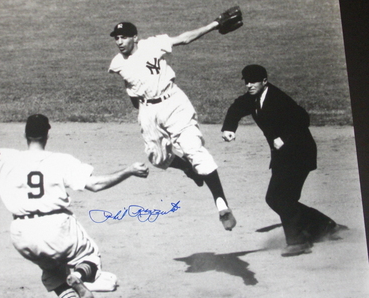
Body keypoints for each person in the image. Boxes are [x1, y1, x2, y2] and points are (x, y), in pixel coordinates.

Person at [0, 96, 149, 298]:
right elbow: (95, 185)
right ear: (47, 135)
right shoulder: (61, 160)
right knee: (89, 256)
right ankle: (79, 276)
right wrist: (128, 171)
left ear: (25, 134)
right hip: (58, 230)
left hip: (22, 235)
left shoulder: (6, 158)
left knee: (51, 274)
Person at [108, 20, 237, 231]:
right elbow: (129, 85)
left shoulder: (153, 44)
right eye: (116, 38)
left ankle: (222, 204)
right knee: (156, 158)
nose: (119, 42)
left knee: (193, 149)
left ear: (135, 37)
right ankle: (188, 168)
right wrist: (142, 112)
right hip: (148, 111)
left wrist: (215, 24)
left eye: (123, 37)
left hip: (173, 103)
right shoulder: (117, 63)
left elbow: (185, 38)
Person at [221, 64, 346, 257]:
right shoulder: (253, 97)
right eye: (246, 81)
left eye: (254, 81)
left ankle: (298, 242)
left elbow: (302, 118)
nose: (249, 84)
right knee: (279, 198)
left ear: (264, 81)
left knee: (280, 198)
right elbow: (237, 107)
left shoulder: (277, 98)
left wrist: (283, 137)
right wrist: (229, 128)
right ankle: (326, 226)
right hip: (283, 156)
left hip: (299, 152)